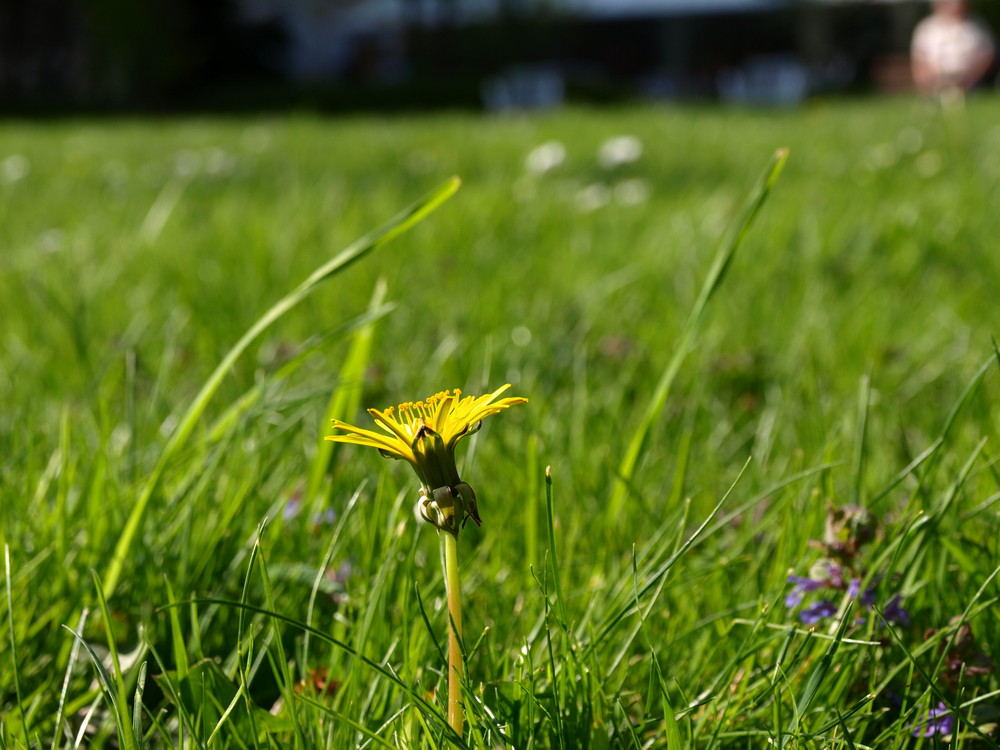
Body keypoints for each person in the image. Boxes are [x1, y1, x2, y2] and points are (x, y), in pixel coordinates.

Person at [911, 0, 995, 96]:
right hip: (937, 83)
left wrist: (971, 78)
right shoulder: (926, 28)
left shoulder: (977, 26)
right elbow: (919, 62)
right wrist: (930, 83)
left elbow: (987, 56)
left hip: (973, 84)